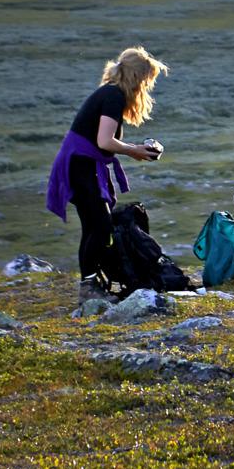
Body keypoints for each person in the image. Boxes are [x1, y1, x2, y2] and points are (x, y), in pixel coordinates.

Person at [45, 46, 167, 300]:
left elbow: (102, 140)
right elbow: (104, 141)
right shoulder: (113, 96)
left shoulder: (110, 93)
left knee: (93, 225)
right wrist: (134, 150)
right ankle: (89, 288)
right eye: (146, 79)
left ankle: (90, 284)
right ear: (138, 76)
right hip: (81, 164)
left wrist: (135, 149)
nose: (146, 85)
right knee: (100, 226)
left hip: (80, 163)